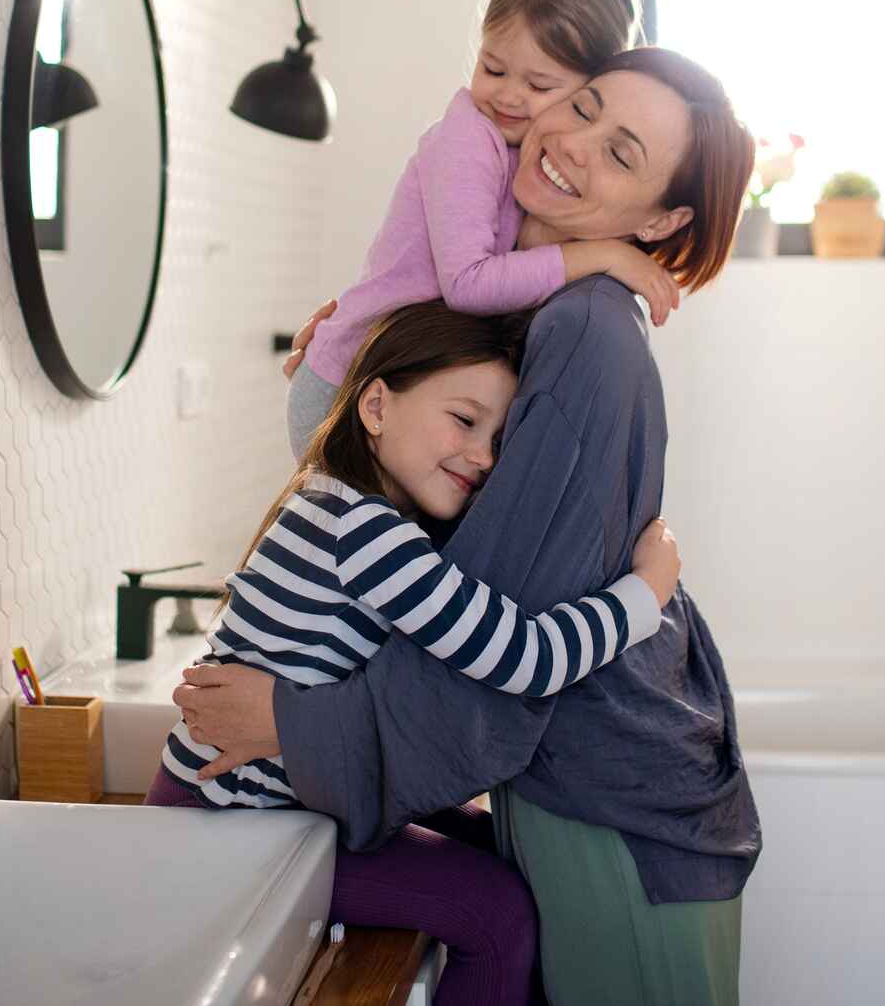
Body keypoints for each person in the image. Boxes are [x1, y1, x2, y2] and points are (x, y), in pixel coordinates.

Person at [176, 47, 763, 1005]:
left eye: (619, 154)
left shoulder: (583, 331)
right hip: (606, 786)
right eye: (581, 105)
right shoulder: (535, 302)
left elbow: (507, 625)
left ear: (659, 221)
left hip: (615, 800)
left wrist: (295, 723)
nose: (569, 142)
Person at [146, 301, 682, 1005]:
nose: (483, 457)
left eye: (500, 438)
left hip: (255, 809)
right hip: (232, 828)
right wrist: (647, 592)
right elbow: (526, 658)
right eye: (463, 420)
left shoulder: (335, 503)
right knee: (496, 914)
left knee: (498, 852)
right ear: (374, 404)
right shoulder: (367, 533)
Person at [287, 0, 681, 461]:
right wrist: (605, 255)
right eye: (492, 68)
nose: (510, 97)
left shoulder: (529, 158)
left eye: (540, 85)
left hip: (396, 386)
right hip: (345, 388)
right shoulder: (468, 140)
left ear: (590, 89)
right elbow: (469, 283)